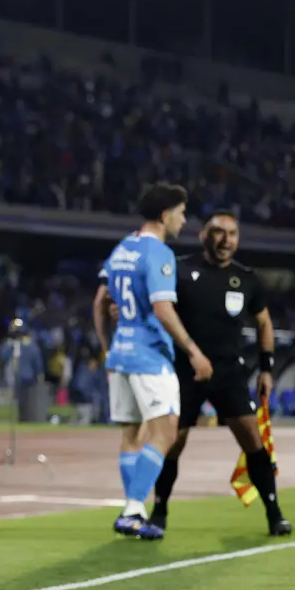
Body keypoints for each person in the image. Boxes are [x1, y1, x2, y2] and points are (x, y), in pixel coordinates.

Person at [146, 211, 290, 536]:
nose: (226, 240)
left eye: (232, 234)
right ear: (203, 236)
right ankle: (160, 511)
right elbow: (159, 308)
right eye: (218, 232)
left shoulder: (247, 278)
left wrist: (266, 368)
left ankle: (274, 512)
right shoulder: (181, 270)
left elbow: (264, 322)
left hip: (228, 373)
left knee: (253, 440)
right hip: (185, 371)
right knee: (174, 443)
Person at [92, 183, 212, 541]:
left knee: (131, 435)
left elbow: (100, 301)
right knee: (165, 433)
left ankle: (135, 510)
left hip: (121, 355)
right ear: (165, 215)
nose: (184, 219)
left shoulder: (121, 249)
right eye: (181, 212)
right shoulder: (158, 253)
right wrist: (193, 350)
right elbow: (162, 310)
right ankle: (132, 509)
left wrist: (106, 346)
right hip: (149, 357)